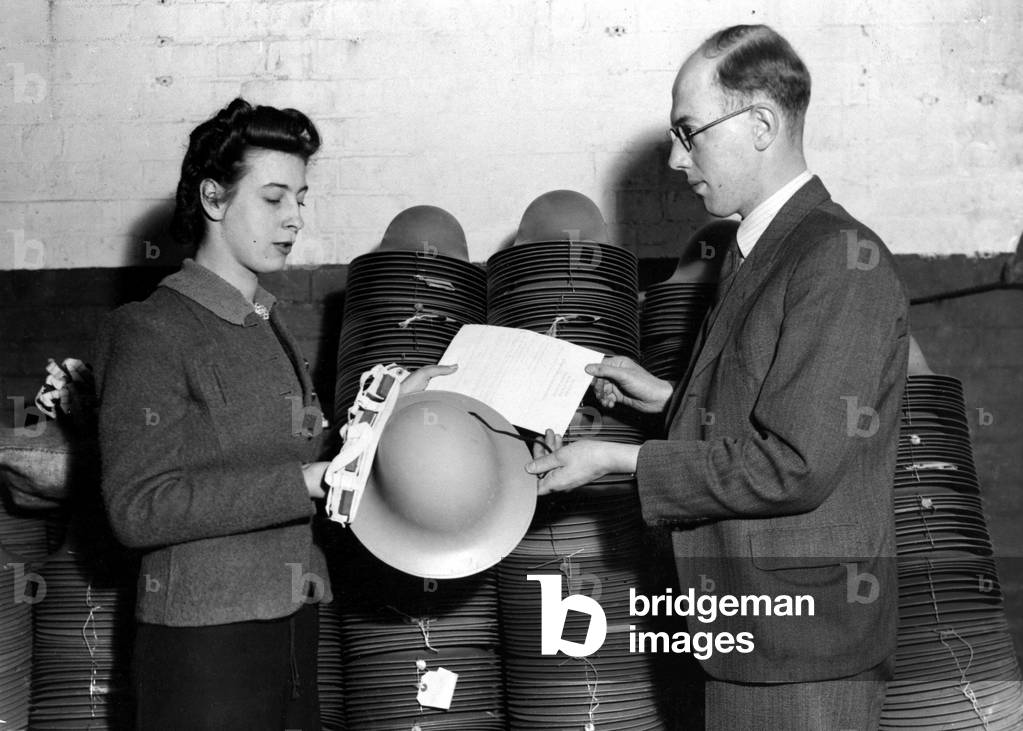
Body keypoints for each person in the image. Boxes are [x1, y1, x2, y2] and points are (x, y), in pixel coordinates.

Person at [526, 25, 908, 730]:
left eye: (688, 131)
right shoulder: (761, 249)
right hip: (750, 631)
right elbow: (783, 408)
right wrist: (668, 398)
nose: (676, 157)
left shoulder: (835, 258)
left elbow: (796, 462)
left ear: (760, 124)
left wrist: (617, 457)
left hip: (802, 645)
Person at [94, 98, 451, 731]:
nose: (294, 219)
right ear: (213, 198)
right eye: (273, 198)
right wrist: (304, 485)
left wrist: (393, 408)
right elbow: (137, 507)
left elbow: (302, 456)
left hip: (293, 624)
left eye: (301, 199)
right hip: (205, 646)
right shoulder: (151, 328)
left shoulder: (266, 319)